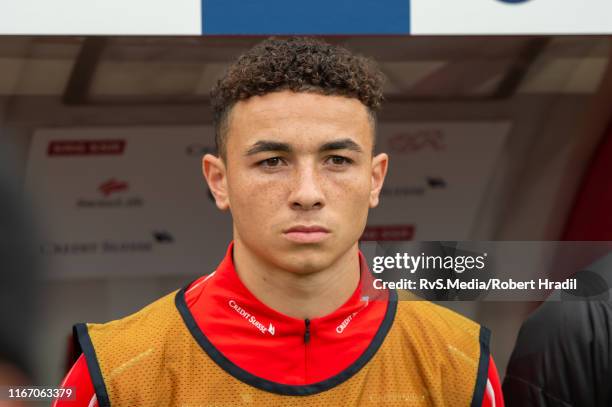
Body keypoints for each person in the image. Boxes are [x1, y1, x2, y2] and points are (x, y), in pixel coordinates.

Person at [54, 37, 503, 407]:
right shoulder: (118, 371)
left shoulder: (457, 361)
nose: (307, 193)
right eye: (272, 161)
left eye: (337, 160)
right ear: (219, 180)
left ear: (375, 178)